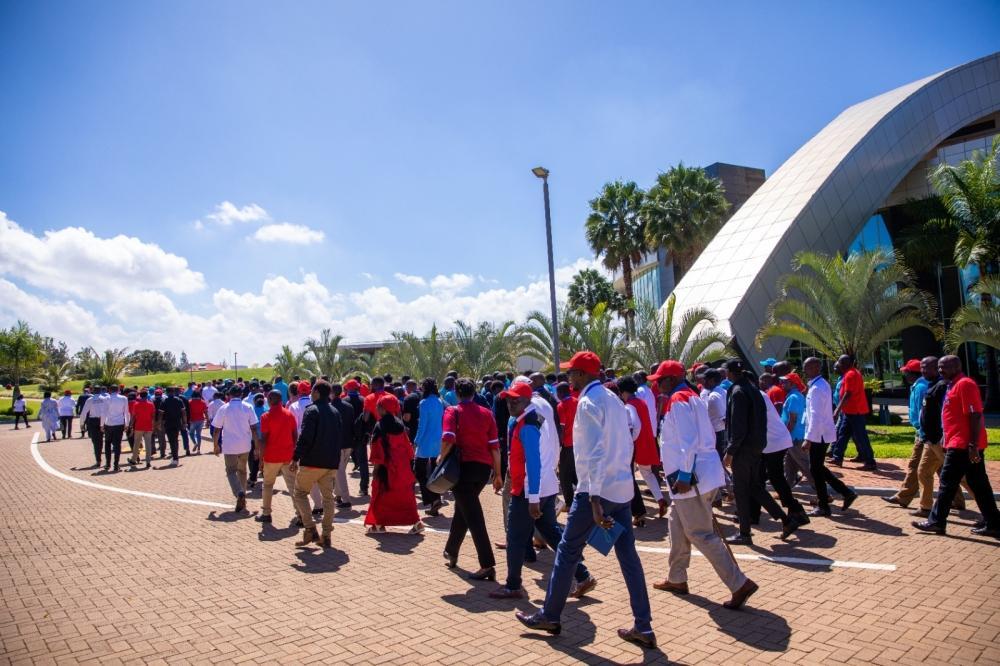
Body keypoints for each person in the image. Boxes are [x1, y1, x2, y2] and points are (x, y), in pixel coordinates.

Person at [517, 351, 656, 650]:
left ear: (581, 374)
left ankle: (550, 615)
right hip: (620, 490)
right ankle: (643, 625)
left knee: (568, 551)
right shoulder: (614, 400)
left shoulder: (588, 402)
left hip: (596, 492)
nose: (568, 377)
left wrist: (593, 499)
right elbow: (625, 442)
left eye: (571, 372)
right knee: (628, 558)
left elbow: (594, 453)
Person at [648, 360, 758, 610]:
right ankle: (677, 577)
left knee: (700, 534)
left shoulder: (679, 400)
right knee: (676, 524)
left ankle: (739, 583)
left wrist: (685, 475)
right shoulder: (691, 396)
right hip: (698, 473)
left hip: (690, 477)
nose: (658, 385)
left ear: (671, 379)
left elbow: (689, 441)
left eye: (660, 380)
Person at [490, 382, 595, 600]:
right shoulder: (535, 418)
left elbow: (533, 464)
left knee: (515, 538)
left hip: (529, 491)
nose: (510, 404)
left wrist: (533, 498)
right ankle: (583, 575)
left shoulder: (528, 425)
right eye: (508, 400)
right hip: (544, 487)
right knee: (551, 532)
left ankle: (513, 585)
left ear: (527, 400)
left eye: (515, 400)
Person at [913, 356, 1000, 537]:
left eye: (943, 367)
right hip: (957, 442)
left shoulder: (965, 384)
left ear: (956, 367)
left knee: (947, 483)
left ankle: (936, 522)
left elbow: (975, 415)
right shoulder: (951, 385)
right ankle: (994, 523)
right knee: (978, 483)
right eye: (939, 367)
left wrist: (973, 445)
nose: (940, 371)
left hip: (963, 445)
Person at [722, 359, 802, 545]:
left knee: (741, 489)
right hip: (758, 445)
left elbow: (738, 426)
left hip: (743, 447)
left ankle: (744, 533)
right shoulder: (754, 390)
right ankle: (786, 520)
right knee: (754, 487)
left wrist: (730, 451)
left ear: (729, 373)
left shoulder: (737, 391)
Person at [441, 378, 503, 580]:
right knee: (464, 509)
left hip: (462, 470)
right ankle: (451, 551)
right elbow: (495, 447)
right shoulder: (486, 413)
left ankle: (487, 564)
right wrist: (498, 474)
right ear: (474, 392)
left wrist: (441, 458)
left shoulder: (452, 411)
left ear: (457, 393)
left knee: (473, 516)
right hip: (483, 471)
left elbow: (448, 438)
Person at [883, 358, 946, 510]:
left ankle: (905, 497)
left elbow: (923, 412)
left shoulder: (921, 388)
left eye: (906, 372)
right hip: (926, 433)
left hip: (925, 433)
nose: (905, 375)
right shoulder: (920, 386)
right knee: (939, 468)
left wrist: (921, 432)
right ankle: (956, 500)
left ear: (912, 373)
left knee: (918, 466)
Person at [911, 359, 969, 518]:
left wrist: (944, 436)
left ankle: (988, 511)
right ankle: (925, 507)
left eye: (927, 368)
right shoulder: (933, 385)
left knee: (962, 476)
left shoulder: (944, 386)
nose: (923, 371)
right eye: (921, 368)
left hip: (940, 439)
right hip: (930, 439)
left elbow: (947, 413)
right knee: (924, 471)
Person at [801, 357, 858, 517]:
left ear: (816, 368)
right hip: (820, 432)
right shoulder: (819, 385)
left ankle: (824, 505)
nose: (804, 370)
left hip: (819, 434)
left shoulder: (817, 388)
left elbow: (816, 415)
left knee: (815, 469)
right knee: (817, 468)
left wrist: (808, 438)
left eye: (807, 367)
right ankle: (845, 493)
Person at [290, 380, 342, 548]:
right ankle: (326, 534)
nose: (311, 394)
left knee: (299, 493)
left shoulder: (311, 410)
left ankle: (310, 528)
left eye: (312, 391)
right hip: (330, 462)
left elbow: (305, 437)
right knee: (328, 499)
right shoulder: (335, 411)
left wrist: (295, 457)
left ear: (317, 393)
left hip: (312, 461)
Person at [365, 394, 424, 534]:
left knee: (381, 496)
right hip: (403, 468)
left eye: (378, 406)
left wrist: (376, 469)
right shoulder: (400, 425)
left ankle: (379, 524)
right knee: (406, 497)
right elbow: (408, 449)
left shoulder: (380, 426)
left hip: (387, 468)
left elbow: (377, 451)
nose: (376, 408)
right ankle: (417, 523)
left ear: (384, 409)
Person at [619, 376, 667, 519]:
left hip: (636, 444)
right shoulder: (641, 402)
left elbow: (635, 426)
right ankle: (660, 499)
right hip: (646, 439)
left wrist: (630, 441)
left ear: (623, 391)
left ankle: (635, 510)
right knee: (647, 473)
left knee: (629, 476)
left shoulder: (629, 405)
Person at [759, 385, 808, 523]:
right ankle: (752, 514)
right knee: (764, 478)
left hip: (774, 442)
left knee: (773, 478)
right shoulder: (760, 394)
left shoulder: (756, 396)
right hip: (772, 442)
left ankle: (795, 511)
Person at [212, 385, 260, 513]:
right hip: (245, 445)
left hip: (230, 446)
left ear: (229, 395)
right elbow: (254, 428)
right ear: (241, 394)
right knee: (242, 471)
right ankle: (243, 494)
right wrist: (256, 447)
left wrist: (215, 445)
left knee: (231, 471)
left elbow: (217, 429)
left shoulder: (224, 408)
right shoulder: (248, 407)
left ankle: (239, 493)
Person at [255, 389, 299, 524]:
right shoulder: (289, 414)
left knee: (268, 485)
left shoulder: (266, 416)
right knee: (293, 486)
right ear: (281, 400)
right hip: (287, 455)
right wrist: (293, 451)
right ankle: (301, 514)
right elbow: (295, 435)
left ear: (269, 400)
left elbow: (264, 440)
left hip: (271, 456)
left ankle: (266, 513)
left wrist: (261, 459)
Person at [831, 356, 877, 470]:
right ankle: (837, 457)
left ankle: (870, 462)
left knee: (861, 436)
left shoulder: (850, 374)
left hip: (855, 411)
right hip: (850, 411)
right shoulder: (851, 373)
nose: (838, 364)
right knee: (843, 434)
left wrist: (837, 409)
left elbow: (848, 394)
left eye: (840, 362)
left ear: (845, 363)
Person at [413, 378, 445, 515]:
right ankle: (435, 500)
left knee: (420, 472)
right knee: (433, 473)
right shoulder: (440, 401)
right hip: (437, 441)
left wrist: (416, 440)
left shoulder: (424, 403)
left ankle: (433, 499)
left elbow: (422, 425)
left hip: (425, 441)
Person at [779, 374, 815, 493]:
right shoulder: (797, 396)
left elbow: (793, 420)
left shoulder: (794, 397)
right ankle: (786, 491)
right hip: (794, 437)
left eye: (785, 382)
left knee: (805, 466)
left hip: (794, 437)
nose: (782, 384)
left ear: (793, 384)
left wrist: (785, 436)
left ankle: (821, 491)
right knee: (789, 465)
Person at [330, 383, 357, 509]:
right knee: (340, 471)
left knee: (339, 472)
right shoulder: (349, 406)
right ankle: (339, 496)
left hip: (337, 445)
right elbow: (352, 425)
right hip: (348, 443)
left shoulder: (330, 407)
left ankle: (345, 499)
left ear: (332, 393)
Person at [343, 380, 369, 497]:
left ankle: (338, 490)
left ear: (348, 388)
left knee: (341, 464)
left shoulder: (344, 401)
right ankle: (364, 488)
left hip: (347, 436)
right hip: (361, 435)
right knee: (363, 462)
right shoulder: (364, 400)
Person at [555, 382, 578, 510]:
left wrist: (558, 447)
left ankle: (569, 504)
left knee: (564, 476)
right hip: (578, 443)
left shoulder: (561, 405)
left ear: (561, 392)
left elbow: (562, 428)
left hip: (566, 445)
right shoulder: (577, 401)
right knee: (575, 472)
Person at [102, 385, 130, 472]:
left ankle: (107, 464)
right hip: (119, 423)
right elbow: (126, 412)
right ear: (118, 390)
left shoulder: (106, 398)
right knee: (117, 445)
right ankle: (116, 464)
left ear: (109, 390)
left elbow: (103, 412)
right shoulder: (123, 398)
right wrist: (127, 424)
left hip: (109, 423)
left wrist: (101, 424)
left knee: (107, 444)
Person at [159, 386, 188, 466]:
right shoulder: (179, 400)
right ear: (174, 392)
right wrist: (185, 422)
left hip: (168, 423)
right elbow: (184, 413)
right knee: (175, 439)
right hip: (178, 423)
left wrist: (159, 424)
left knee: (172, 441)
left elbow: (161, 414)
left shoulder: (164, 401)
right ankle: (175, 456)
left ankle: (175, 458)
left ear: (167, 392)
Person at [128, 389, 156, 468]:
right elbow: (153, 416)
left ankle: (134, 459)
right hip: (148, 426)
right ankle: (148, 461)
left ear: (140, 396)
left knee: (136, 444)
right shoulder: (151, 404)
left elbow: (133, 417)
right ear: (147, 396)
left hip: (139, 426)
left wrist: (131, 426)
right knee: (148, 444)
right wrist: (153, 426)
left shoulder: (136, 405)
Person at [79, 387, 105, 466]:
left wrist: (82, 423)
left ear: (93, 391)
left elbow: (84, 412)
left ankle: (98, 459)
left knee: (96, 441)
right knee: (103, 440)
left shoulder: (90, 400)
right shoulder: (105, 399)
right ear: (100, 391)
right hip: (104, 420)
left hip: (93, 421)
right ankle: (106, 460)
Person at [188, 390, 207, 454]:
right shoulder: (203, 402)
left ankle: (195, 443)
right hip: (201, 419)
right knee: (199, 434)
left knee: (191, 433)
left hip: (192, 420)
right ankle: (199, 449)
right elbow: (205, 412)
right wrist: (207, 420)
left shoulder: (190, 402)